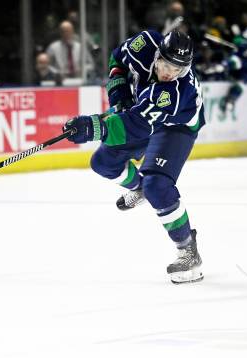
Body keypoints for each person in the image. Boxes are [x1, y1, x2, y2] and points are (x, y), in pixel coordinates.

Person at [62, 30, 206, 284]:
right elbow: (117, 59)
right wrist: (120, 96)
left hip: (176, 126)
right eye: (166, 64)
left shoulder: (175, 90)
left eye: (178, 68)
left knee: (158, 186)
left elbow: (135, 126)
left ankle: (187, 250)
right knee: (103, 163)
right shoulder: (145, 43)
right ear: (158, 53)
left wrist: (94, 127)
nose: (169, 72)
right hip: (142, 113)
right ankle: (139, 188)